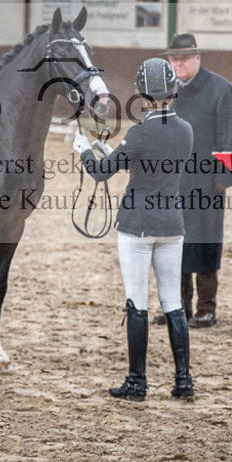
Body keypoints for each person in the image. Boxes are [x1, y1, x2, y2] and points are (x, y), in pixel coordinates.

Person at [73, 58, 195, 401]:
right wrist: (113, 152)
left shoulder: (139, 133)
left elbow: (100, 173)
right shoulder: (185, 129)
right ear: (172, 90)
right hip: (172, 225)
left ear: (142, 92)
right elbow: (147, 166)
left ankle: (137, 382)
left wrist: (84, 151)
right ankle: (183, 381)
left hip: (138, 226)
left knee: (137, 303)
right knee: (174, 303)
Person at [158, 33, 232, 328]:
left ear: (198, 58)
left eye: (183, 58)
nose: (178, 63)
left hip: (207, 182)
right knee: (172, 243)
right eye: (173, 58)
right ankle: (178, 306)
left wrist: (223, 179)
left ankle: (207, 307)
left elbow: (229, 135)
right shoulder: (167, 91)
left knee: (204, 242)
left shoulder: (221, 89)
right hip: (172, 182)